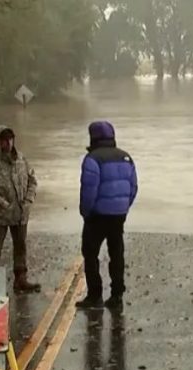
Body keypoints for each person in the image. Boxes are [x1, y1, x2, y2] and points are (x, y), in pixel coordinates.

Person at [75, 121, 137, 309]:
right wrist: (124, 208)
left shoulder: (92, 159)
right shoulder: (126, 157)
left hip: (97, 215)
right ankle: (117, 296)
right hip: (118, 215)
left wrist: (86, 212)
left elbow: (89, 191)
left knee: (90, 253)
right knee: (117, 254)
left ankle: (95, 295)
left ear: (93, 137)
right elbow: (133, 187)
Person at [0, 125, 41, 293]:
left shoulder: (22, 159)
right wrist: (1, 202)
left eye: (10, 139)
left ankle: (21, 279)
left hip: (20, 213)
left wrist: (28, 200)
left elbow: (33, 180)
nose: (8, 143)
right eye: (4, 140)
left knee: (21, 246)